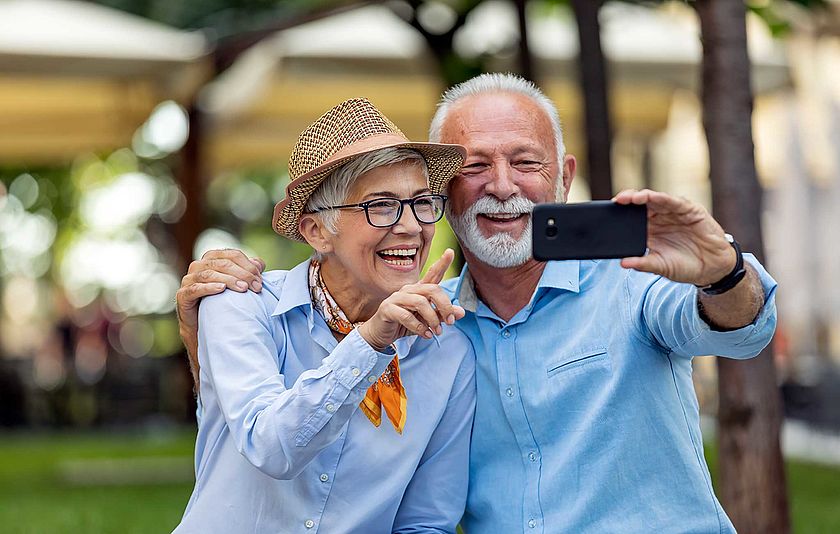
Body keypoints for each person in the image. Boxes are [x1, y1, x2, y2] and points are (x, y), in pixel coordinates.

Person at [177, 74, 777, 534]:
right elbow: (260, 438)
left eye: (525, 162)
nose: (502, 185)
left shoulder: (626, 278)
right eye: (475, 166)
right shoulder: (433, 332)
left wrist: (722, 273)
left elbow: (740, 330)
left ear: (564, 178)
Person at [173, 98, 475, 534]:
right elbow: (270, 445)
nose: (411, 226)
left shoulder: (449, 353)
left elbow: (425, 522)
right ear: (317, 231)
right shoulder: (239, 301)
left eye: (422, 203)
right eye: (381, 205)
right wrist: (370, 342)